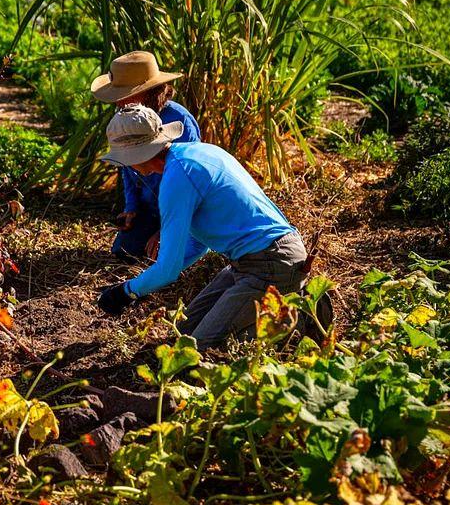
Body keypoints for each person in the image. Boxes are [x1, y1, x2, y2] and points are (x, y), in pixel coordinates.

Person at [95, 105, 309, 349]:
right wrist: (141, 284)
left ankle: (299, 321)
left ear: (137, 157)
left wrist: (126, 292)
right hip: (250, 262)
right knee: (184, 334)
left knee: (199, 350)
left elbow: (168, 270)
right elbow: (199, 245)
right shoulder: (197, 152)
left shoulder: (178, 179)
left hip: (271, 264)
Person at [91, 51, 207, 262]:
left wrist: (167, 230)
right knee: (124, 252)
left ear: (147, 92)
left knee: (166, 255)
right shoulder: (126, 117)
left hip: (182, 210)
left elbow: (189, 185)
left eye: (124, 95)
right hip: (150, 208)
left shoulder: (179, 120)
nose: (119, 103)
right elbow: (126, 167)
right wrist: (131, 208)